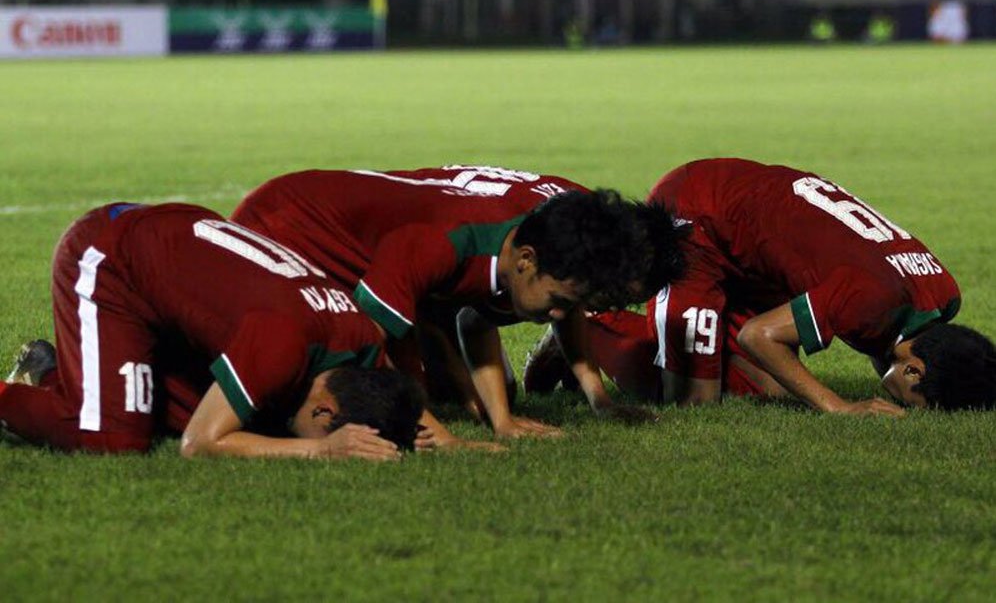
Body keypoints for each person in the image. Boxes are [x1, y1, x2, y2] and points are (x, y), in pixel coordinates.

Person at [231, 165, 685, 440]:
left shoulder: (534, 239)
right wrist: (431, 425)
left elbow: (468, 309)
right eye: (560, 301)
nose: (561, 314)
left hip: (372, 247)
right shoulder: (449, 245)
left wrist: (501, 417)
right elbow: (384, 336)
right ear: (525, 262)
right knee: (304, 393)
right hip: (283, 228)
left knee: (481, 393)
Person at [523, 158, 996, 413]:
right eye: (915, 402)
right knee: (694, 403)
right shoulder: (871, 301)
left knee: (768, 388)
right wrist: (839, 407)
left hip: (755, 232)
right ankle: (587, 322)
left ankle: (623, 337)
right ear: (913, 371)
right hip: (701, 217)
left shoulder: (941, 292)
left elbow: (876, 335)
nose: (906, 406)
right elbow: (759, 336)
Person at [0, 203, 424, 458]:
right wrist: (324, 450)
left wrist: (445, 440)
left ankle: (51, 372)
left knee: (203, 412)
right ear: (324, 411)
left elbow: (395, 395)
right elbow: (198, 444)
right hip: (111, 255)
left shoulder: (361, 337)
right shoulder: (281, 344)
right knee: (113, 439)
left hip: (168, 241)